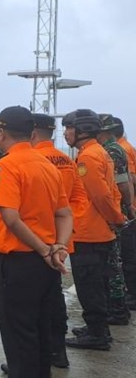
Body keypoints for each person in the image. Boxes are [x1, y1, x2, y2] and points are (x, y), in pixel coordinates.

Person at [0, 106, 72, 378]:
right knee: (41, 333)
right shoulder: (47, 165)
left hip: (19, 262)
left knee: (19, 338)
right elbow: (64, 213)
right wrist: (57, 247)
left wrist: (45, 249)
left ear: (1, 133)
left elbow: (11, 218)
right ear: (32, 133)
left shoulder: (6, 166)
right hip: (44, 264)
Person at [61, 109, 124, 350]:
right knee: (98, 283)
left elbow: (99, 195)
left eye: (69, 129)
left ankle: (97, 334)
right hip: (99, 230)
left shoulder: (88, 157)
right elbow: (113, 192)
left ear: (82, 131)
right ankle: (97, 328)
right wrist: (116, 217)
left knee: (89, 285)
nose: (66, 133)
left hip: (89, 231)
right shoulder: (101, 153)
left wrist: (114, 217)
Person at [30, 113, 89, 369]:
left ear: (31, 131)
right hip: (61, 240)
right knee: (53, 296)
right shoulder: (66, 160)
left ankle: (37, 357)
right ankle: (58, 352)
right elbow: (78, 199)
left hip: (37, 242)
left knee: (32, 304)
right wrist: (64, 235)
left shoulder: (32, 161)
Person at [97, 114, 134, 326]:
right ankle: (116, 307)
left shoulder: (111, 151)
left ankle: (117, 309)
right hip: (115, 207)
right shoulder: (116, 149)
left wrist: (127, 206)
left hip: (112, 209)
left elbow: (122, 182)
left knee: (113, 259)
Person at [113, 117, 136, 311]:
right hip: (129, 207)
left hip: (127, 210)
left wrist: (127, 205)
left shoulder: (120, 149)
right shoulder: (125, 146)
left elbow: (130, 178)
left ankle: (132, 295)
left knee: (127, 255)